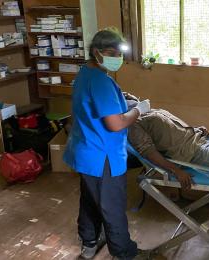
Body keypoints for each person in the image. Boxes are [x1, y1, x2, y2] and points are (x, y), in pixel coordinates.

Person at [63, 28, 151, 260]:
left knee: (91, 201)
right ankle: (124, 254)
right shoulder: (101, 81)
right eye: (111, 53)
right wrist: (138, 110)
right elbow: (115, 124)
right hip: (103, 156)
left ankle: (90, 243)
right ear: (96, 52)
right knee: (111, 207)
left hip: (86, 152)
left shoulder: (85, 73)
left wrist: (123, 103)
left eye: (119, 53)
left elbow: (96, 107)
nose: (116, 58)